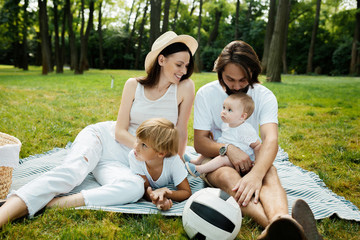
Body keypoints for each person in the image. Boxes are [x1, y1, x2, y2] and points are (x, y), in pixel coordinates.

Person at [0, 31, 198, 228]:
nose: (183, 70)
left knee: (134, 188)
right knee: (72, 173)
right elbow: (119, 131)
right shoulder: (134, 85)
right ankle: (4, 214)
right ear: (161, 60)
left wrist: (173, 164)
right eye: (179, 64)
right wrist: (149, 151)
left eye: (186, 65)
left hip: (125, 162)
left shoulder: (185, 87)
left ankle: (53, 204)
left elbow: (180, 131)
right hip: (104, 139)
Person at [193, 40, 322, 240]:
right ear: (219, 72)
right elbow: (200, 142)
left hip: (253, 160)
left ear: (253, 72)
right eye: (230, 79)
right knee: (228, 176)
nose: (236, 86)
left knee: (269, 171)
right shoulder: (206, 94)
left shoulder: (264, 96)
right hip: (216, 160)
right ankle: (283, 228)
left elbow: (270, 139)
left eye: (243, 80)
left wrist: (256, 174)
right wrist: (227, 148)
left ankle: (281, 221)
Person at [185, 92, 261, 177]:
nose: (224, 112)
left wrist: (257, 164)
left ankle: (199, 170)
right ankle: (196, 162)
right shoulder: (226, 124)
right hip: (227, 150)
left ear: (242, 116)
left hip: (240, 161)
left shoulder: (245, 130)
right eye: (224, 108)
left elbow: (257, 146)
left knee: (222, 160)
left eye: (229, 110)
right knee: (211, 147)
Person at [129, 118, 191, 210]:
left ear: (161, 153)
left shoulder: (174, 162)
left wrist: (166, 193)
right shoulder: (134, 156)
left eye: (144, 145)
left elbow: (186, 192)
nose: (136, 147)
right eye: (137, 140)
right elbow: (146, 190)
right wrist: (159, 200)